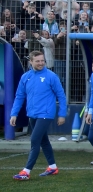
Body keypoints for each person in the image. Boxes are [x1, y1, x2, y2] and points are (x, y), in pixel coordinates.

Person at [11, 51, 67, 180]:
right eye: (38, 61)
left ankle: (26, 171)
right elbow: (19, 97)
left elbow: (61, 96)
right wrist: (14, 113)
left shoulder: (51, 76)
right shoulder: (25, 77)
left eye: (43, 60)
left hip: (46, 114)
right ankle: (52, 167)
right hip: (32, 114)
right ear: (31, 61)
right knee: (43, 141)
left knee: (34, 140)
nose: (41, 63)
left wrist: (62, 114)